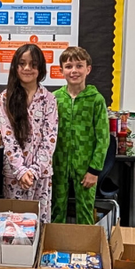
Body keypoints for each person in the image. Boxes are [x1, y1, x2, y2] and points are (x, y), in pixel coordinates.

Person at [0, 44, 58, 223]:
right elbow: (8, 137)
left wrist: (33, 171)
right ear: (15, 67)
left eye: (33, 64)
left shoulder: (49, 99)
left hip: (41, 175)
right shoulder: (5, 97)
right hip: (14, 175)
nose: (27, 68)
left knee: (40, 224)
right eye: (22, 63)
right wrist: (21, 171)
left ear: (40, 68)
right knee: (15, 226)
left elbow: (50, 138)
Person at [52, 46, 110, 225]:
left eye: (79, 66)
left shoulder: (96, 100)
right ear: (61, 71)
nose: (74, 71)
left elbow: (103, 138)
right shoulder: (54, 99)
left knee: (85, 210)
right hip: (58, 165)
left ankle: (86, 250)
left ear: (88, 69)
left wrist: (94, 170)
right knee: (56, 209)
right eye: (69, 66)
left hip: (85, 166)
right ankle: (53, 247)